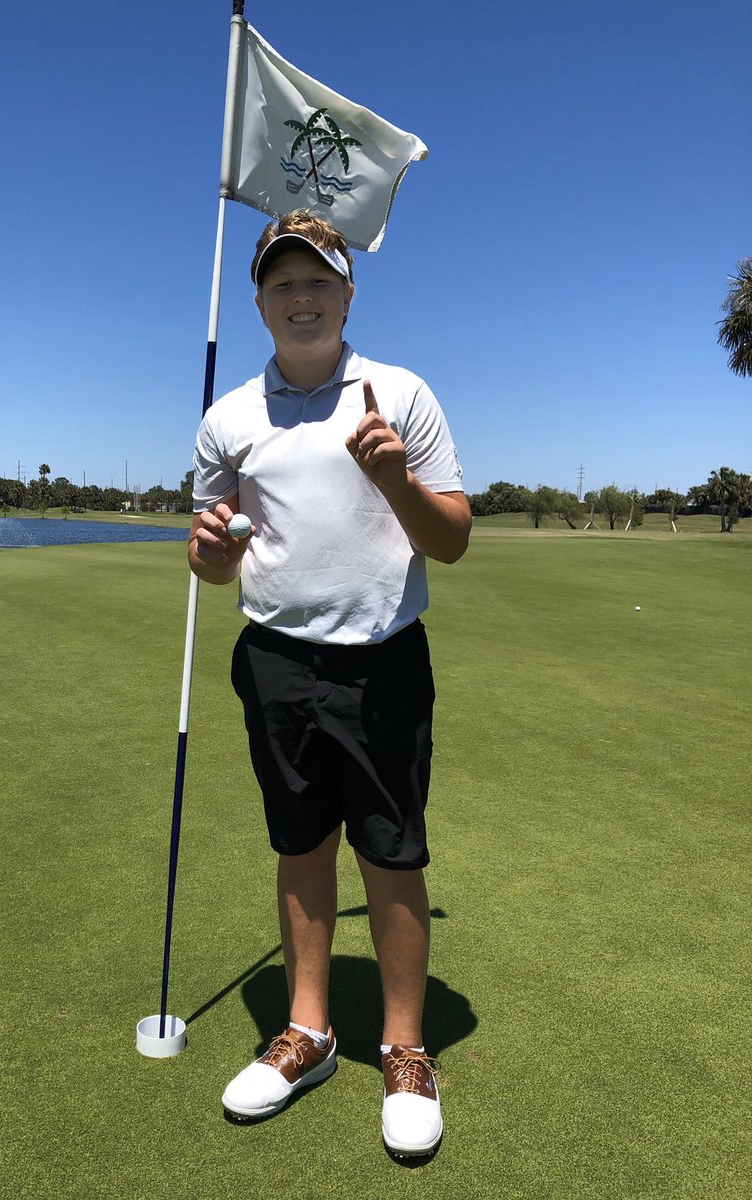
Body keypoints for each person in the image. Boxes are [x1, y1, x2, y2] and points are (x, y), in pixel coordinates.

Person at [189, 209, 471, 1158]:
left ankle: (404, 1047)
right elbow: (221, 557)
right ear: (261, 300)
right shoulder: (228, 418)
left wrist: (394, 480)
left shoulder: (401, 393)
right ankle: (308, 1033)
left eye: (318, 282)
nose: (300, 299)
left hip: (383, 658)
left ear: (348, 295)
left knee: (392, 855)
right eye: (282, 284)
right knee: (300, 844)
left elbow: (453, 540)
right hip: (275, 659)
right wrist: (206, 558)